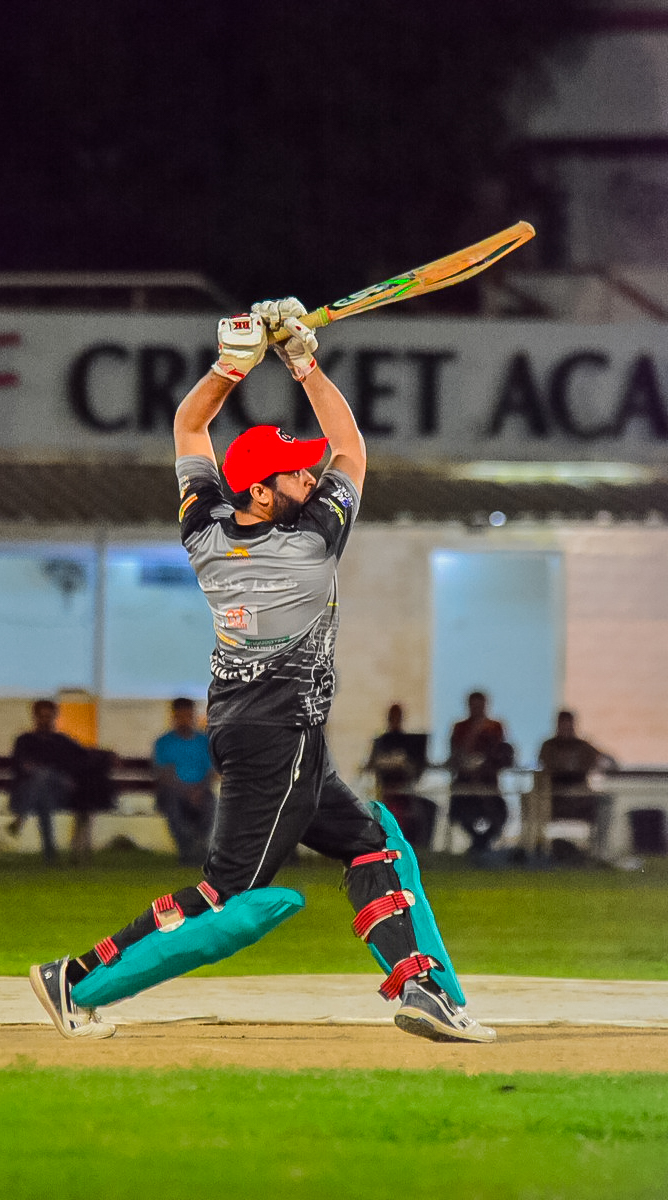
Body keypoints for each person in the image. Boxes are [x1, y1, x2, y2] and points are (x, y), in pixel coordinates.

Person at [30, 299, 495, 1044]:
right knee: (229, 897)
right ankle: (78, 979)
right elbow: (352, 448)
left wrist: (230, 366)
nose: (310, 479)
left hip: (253, 728)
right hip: (279, 736)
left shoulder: (205, 529)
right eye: (294, 475)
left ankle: (426, 990)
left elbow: (189, 428)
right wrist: (302, 363)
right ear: (258, 490)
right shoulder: (309, 547)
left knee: (376, 843)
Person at [9, 698, 115, 863]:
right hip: (25, 794)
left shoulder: (62, 741)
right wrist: (55, 776)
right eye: (42, 716)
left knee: (43, 781)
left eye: (49, 717)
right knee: (42, 782)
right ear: (35, 717)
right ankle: (49, 855)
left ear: (54, 717)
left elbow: (86, 754)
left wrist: (109, 755)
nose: (45, 720)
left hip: (56, 796)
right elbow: (20, 766)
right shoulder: (24, 740)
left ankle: (21, 819)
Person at [522, 710, 616, 860]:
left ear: (573, 726)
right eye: (562, 724)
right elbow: (544, 766)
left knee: (605, 801)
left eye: (568, 725)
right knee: (530, 799)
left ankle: (599, 852)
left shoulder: (583, 746)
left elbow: (610, 762)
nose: (565, 729)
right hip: (553, 797)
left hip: (579, 796)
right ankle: (533, 849)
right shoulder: (549, 746)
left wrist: (598, 760)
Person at [448, 691, 513, 856]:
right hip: (465, 783)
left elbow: (499, 753)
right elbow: (456, 754)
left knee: (500, 812)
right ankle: (477, 843)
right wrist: (473, 733)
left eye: (480, 705)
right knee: (460, 810)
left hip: (488, 782)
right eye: (474, 705)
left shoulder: (495, 727)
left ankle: (482, 843)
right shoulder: (460, 728)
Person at [364, 704, 437, 850]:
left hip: (407, 794)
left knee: (427, 810)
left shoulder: (411, 742)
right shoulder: (382, 741)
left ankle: (421, 849)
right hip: (388, 794)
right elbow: (371, 765)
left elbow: (417, 769)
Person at [152, 697, 215, 865]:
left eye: (187, 715)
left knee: (210, 803)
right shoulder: (164, 743)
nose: (184, 720)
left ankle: (198, 846)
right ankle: (188, 848)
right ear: (174, 716)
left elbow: (210, 771)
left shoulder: (204, 742)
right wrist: (186, 792)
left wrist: (198, 791)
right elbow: (164, 774)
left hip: (200, 791)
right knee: (171, 802)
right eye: (180, 716)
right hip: (174, 791)